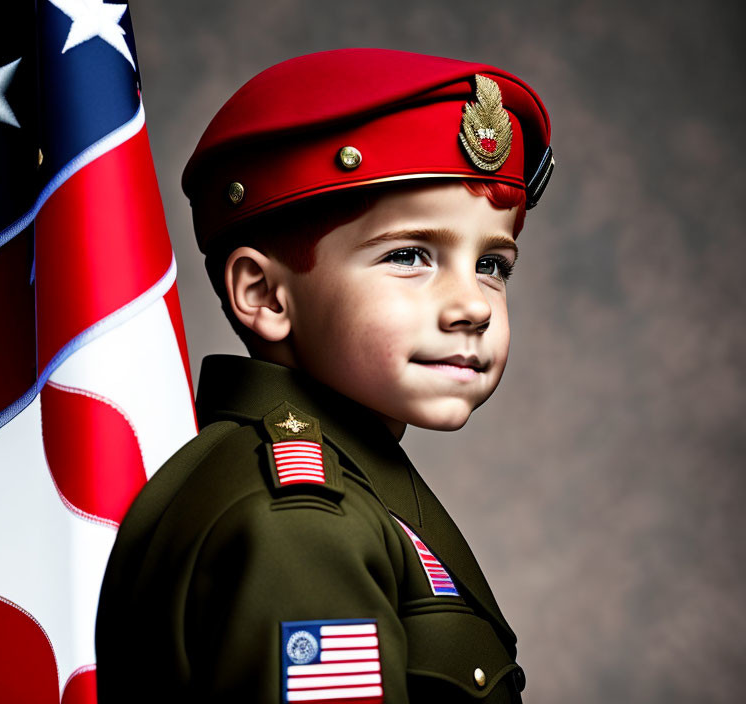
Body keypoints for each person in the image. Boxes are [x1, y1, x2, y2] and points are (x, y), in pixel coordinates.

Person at [96, 47, 554, 703]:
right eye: (409, 255)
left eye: (492, 265)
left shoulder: (290, 472)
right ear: (266, 295)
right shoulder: (300, 523)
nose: (474, 306)